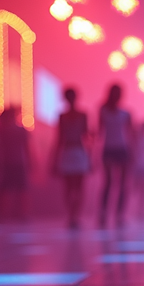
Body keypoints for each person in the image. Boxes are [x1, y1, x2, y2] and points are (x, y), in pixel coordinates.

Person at [53, 88, 90, 229]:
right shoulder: (62, 116)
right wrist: (55, 159)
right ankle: (71, 215)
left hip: (79, 151)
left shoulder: (83, 115)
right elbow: (59, 139)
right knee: (69, 187)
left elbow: (87, 138)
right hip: (68, 151)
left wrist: (90, 156)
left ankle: (76, 215)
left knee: (79, 186)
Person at [97, 84, 132, 227]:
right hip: (108, 149)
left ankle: (120, 214)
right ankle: (103, 212)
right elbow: (100, 132)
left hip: (122, 149)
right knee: (108, 182)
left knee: (123, 183)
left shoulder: (125, 113)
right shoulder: (103, 111)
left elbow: (131, 134)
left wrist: (132, 152)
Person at [0, 107, 32, 221]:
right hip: (17, 161)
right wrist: (30, 161)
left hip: (9, 161)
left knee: (9, 188)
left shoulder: (2, 130)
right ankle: (23, 214)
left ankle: (5, 214)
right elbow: (27, 148)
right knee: (20, 188)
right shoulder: (20, 130)